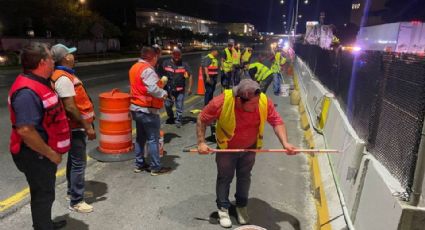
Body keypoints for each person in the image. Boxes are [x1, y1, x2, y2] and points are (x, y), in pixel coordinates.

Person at [196, 79, 297, 228]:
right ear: (238, 100)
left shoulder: (262, 101)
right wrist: (201, 142)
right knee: (225, 177)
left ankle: (241, 207)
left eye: (257, 103)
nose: (256, 107)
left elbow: (276, 121)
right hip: (226, 148)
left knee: (244, 177)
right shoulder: (221, 102)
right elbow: (202, 119)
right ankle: (223, 209)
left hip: (250, 147)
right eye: (252, 104)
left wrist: (285, 143)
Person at [7, 42, 70, 230]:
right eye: (51, 58)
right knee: (43, 194)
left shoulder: (39, 83)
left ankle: (44, 223)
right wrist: (51, 154)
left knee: (43, 192)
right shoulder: (27, 91)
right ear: (43, 62)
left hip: (41, 153)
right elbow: (26, 131)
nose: (54, 61)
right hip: (35, 154)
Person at [50, 44, 96, 213]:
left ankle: (72, 192)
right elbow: (70, 107)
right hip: (75, 127)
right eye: (70, 54)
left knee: (73, 161)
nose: (73, 56)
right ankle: (77, 200)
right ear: (65, 58)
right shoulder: (63, 78)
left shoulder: (63, 75)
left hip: (74, 126)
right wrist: (87, 126)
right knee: (79, 163)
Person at [129, 46, 171, 176]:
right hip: (147, 110)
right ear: (152, 57)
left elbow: (141, 87)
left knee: (140, 138)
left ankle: (139, 164)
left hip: (136, 108)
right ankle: (155, 167)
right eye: (156, 57)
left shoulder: (134, 67)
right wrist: (163, 93)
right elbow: (153, 89)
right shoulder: (147, 70)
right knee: (153, 139)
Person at [162, 47, 193, 128]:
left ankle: (178, 120)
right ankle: (171, 117)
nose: (177, 57)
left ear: (181, 55)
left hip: (180, 90)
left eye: (178, 55)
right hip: (168, 90)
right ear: (172, 54)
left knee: (179, 106)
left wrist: (189, 88)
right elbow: (160, 74)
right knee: (167, 105)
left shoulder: (184, 64)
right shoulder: (165, 63)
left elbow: (190, 76)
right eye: (175, 54)